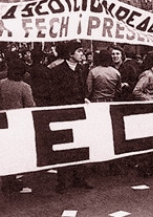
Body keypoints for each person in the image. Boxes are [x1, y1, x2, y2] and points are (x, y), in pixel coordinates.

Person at [50, 41, 93, 193]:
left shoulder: (81, 69)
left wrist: (84, 99)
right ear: (70, 54)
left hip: (79, 113)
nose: (82, 54)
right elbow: (53, 94)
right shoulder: (57, 71)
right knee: (64, 147)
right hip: (64, 114)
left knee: (80, 145)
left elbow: (83, 89)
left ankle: (79, 178)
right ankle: (62, 182)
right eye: (79, 51)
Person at [0, 58, 36, 193]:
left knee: (5, 152)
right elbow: (30, 106)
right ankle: (13, 182)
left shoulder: (0, 84)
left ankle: (5, 181)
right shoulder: (25, 87)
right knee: (16, 154)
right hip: (19, 124)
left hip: (2, 122)